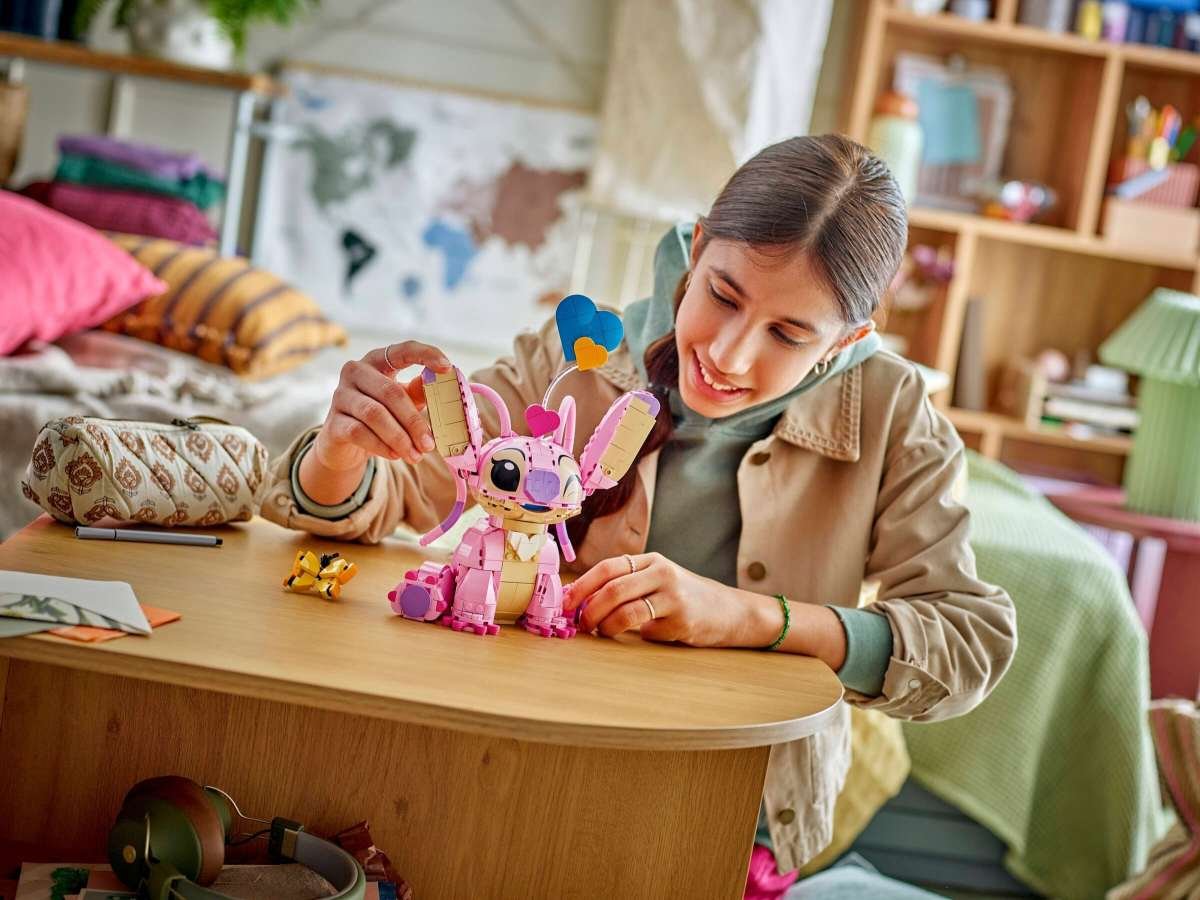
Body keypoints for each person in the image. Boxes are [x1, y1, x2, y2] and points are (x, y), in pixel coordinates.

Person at [259, 134, 1017, 886]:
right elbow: (392, 491)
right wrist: (341, 450)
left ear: (845, 340)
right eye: (723, 296)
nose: (729, 355)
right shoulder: (575, 361)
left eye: (787, 334)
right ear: (698, 249)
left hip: (738, 817)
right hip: (528, 768)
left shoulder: (894, 412)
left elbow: (968, 642)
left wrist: (751, 618)